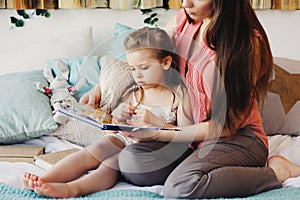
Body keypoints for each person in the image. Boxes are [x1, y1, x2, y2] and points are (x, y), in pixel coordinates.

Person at [115, 0, 300, 199]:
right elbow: (148, 54)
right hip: (192, 138)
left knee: (181, 187)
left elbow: (226, 126)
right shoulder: (185, 20)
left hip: (236, 138)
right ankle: (199, 168)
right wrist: (104, 91)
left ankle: (276, 172)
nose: (186, 2)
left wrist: (160, 134)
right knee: (131, 162)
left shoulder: (245, 44)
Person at [22, 27, 194, 198]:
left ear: (165, 63)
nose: (137, 75)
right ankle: (44, 179)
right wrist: (119, 117)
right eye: (132, 69)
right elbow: (118, 123)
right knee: (94, 150)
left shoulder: (178, 94)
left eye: (144, 67)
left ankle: (72, 189)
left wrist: (156, 123)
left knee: (111, 163)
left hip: (153, 148)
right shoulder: (136, 92)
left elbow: (186, 136)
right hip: (126, 139)